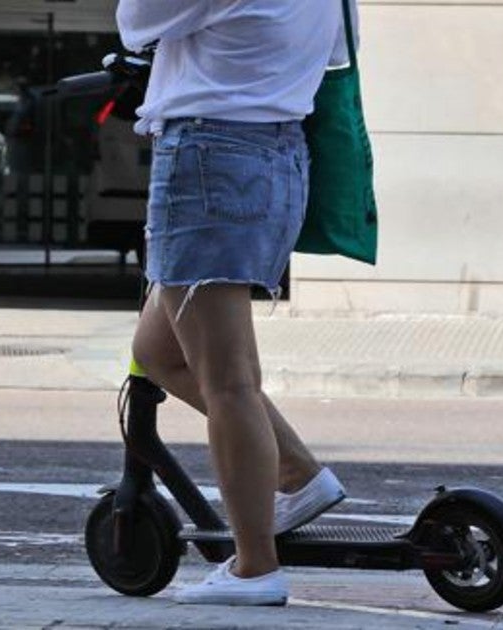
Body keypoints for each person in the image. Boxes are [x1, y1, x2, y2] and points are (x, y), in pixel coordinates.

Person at [117, 1, 356, 606]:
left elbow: (136, 19)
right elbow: (331, 55)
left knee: (228, 382)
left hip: (209, 156)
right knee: (159, 351)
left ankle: (255, 568)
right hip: (278, 157)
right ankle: (297, 474)